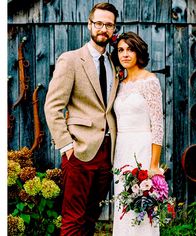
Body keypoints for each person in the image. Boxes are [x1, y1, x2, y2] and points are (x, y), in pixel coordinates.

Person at [44, 3, 119, 235]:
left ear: (113, 28)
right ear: (89, 25)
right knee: (73, 219)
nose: (103, 29)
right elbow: (53, 106)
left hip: (108, 152)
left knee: (90, 218)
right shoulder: (71, 60)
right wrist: (67, 146)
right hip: (80, 150)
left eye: (108, 24)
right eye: (99, 23)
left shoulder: (115, 63)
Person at [111, 32, 164, 236]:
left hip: (142, 149)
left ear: (138, 52)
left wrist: (153, 165)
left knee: (142, 204)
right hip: (122, 151)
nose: (125, 54)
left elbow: (158, 124)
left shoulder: (150, 81)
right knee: (123, 207)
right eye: (121, 50)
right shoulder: (120, 84)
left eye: (130, 49)